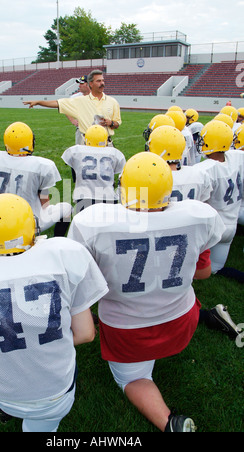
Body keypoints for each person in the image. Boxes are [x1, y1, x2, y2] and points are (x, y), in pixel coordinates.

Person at [68, 152, 225, 432]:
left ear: (124, 187)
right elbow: (201, 273)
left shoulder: (93, 222)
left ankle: (169, 423)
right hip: (181, 321)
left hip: (127, 331)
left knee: (133, 380)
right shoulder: (198, 216)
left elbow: (83, 284)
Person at [0, 193, 108, 432]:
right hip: (53, 395)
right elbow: (85, 334)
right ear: (32, 230)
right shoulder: (63, 255)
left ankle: (7, 407)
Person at [147, 124, 241, 339]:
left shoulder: (147, 173)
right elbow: (205, 204)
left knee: (155, 278)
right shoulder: (199, 173)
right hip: (194, 234)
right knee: (188, 272)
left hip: (158, 234)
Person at [0, 121, 72, 237]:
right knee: (67, 208)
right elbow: (44, 203)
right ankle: (56, 239)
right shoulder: (42, 165)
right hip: (27, 221)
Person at [196, 120, 244, 281]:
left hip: (212, 228)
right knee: (216, 269)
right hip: (231, 225)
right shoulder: (237, 158)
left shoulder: (205, 170)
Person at [23, 69, 122, 146]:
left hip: (105, 142)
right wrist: (39, 102)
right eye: (99, 81)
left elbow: (117, 124)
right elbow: (58, 103)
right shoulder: (79, 100)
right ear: (91, 84)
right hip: (86, 141)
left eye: (103, 81)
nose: (102, 83)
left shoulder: (112, 102)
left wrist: (111, 123)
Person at [62, 124, 126, 214]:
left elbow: (72, 166)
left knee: (84, 224)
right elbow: (118, 171)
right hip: (108, 197)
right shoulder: (114, 153)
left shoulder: (76, 151)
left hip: (84, 196)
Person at [66, 75, 91, 145]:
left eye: (81, 84)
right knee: (81, 151)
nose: (79, 86)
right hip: (81, 130)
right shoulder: (75, 97)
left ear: (88, 84)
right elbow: (65, 108)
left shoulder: (97, 96)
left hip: (96, 129)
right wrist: (72, 120)